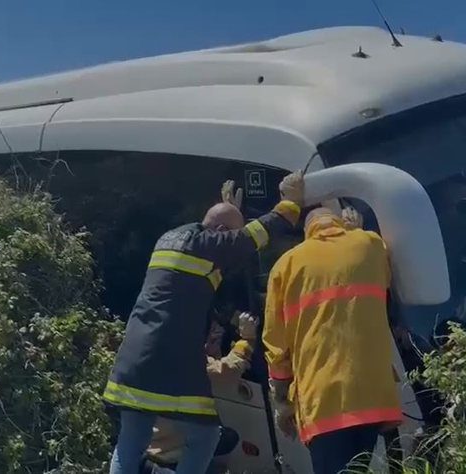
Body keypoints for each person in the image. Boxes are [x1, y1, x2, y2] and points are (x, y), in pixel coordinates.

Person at [103, 174, 304, 474]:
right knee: (207, 434)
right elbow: (256, 236)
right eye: (229, 235)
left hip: (134, 358)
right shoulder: (208, 245)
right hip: (169, 359)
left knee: (132, 440)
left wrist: (228, 212)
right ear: (222, 231)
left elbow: (208, 272)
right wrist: (291, 203)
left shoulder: (173, 238)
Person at [262, 206, 402, 474]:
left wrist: (282, 401)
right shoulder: (369, 244)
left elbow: (275, 342)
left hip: (322, 399)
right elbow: (384, 277)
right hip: (371, 394)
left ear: (307, 232)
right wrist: (355, 231)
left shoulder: (286, 265)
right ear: (339, 223)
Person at [141, 313, 258, 474]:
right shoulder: (192, 361)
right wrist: (247, 339)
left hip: (150, 448)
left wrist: (212, 349)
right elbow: (228, 371)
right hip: (172, 458)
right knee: (218, 437)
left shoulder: (156, 350)